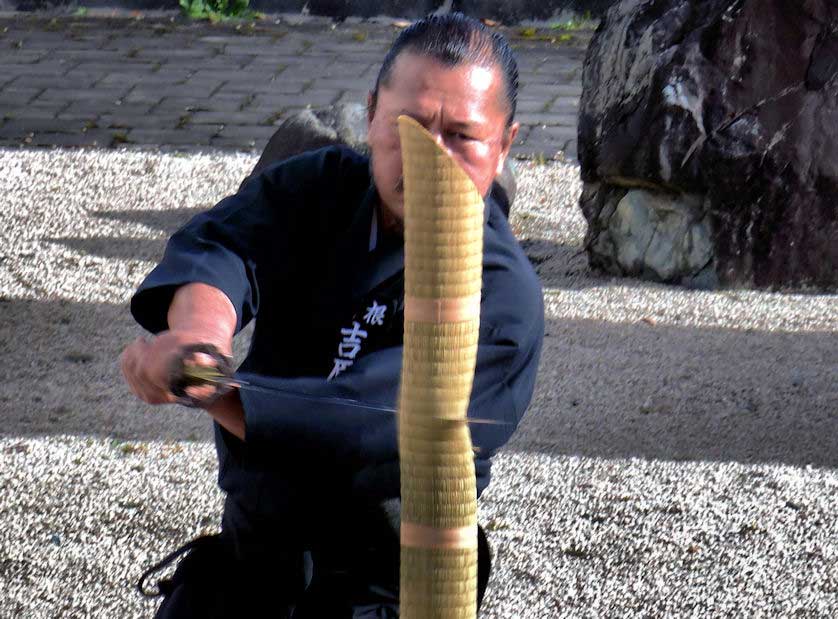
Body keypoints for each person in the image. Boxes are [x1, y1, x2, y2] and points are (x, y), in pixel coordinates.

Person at [121, 12, 544, 618]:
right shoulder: (323, 188)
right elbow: (223, 246)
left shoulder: (503, 297)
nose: (432, 156)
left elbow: (374, 424)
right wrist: (199, 338)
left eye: (461, 136)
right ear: (372, 115)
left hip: (389, 585)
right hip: (256, 558)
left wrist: (201, 384)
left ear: (503, 143)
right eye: (411, 127)